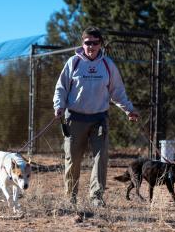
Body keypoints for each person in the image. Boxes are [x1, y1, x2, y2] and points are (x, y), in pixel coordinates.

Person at [53, 26, 139, 207]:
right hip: (75, 118)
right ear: (82, 43)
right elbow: (61, 88)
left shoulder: (108, 65)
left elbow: (118, 92)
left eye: (95, 43)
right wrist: (59, 106)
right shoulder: (73, 63)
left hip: (99, 118)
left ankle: (96, 197)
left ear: (101, 44)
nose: (91, 46)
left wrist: (129, 110)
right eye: (87, 43)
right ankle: (71, 197)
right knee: (72, 159)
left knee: (101, 158)